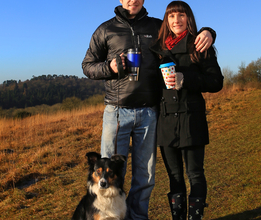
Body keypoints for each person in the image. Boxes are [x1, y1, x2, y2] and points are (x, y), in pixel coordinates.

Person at [82, 0, 216, 219]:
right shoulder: (105, 29)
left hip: (149, 112)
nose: (132, 0)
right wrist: (110, 67)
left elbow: (181, 27)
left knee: (145, 177)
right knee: (111, 173)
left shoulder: (156, 26)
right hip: (117, 112)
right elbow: (87, 65)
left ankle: (137, 217)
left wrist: (209, 32)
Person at [149, 1, 223, 219]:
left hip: (192, 119)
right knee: (174, 177)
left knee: (195, 174)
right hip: (166, 120)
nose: (176, 21)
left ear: (188, 18)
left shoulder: (199, 45)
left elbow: (216, 82)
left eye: (181, 16)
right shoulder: (157, 49)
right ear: (166, 20)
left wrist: (186, 78)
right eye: (171, 17)